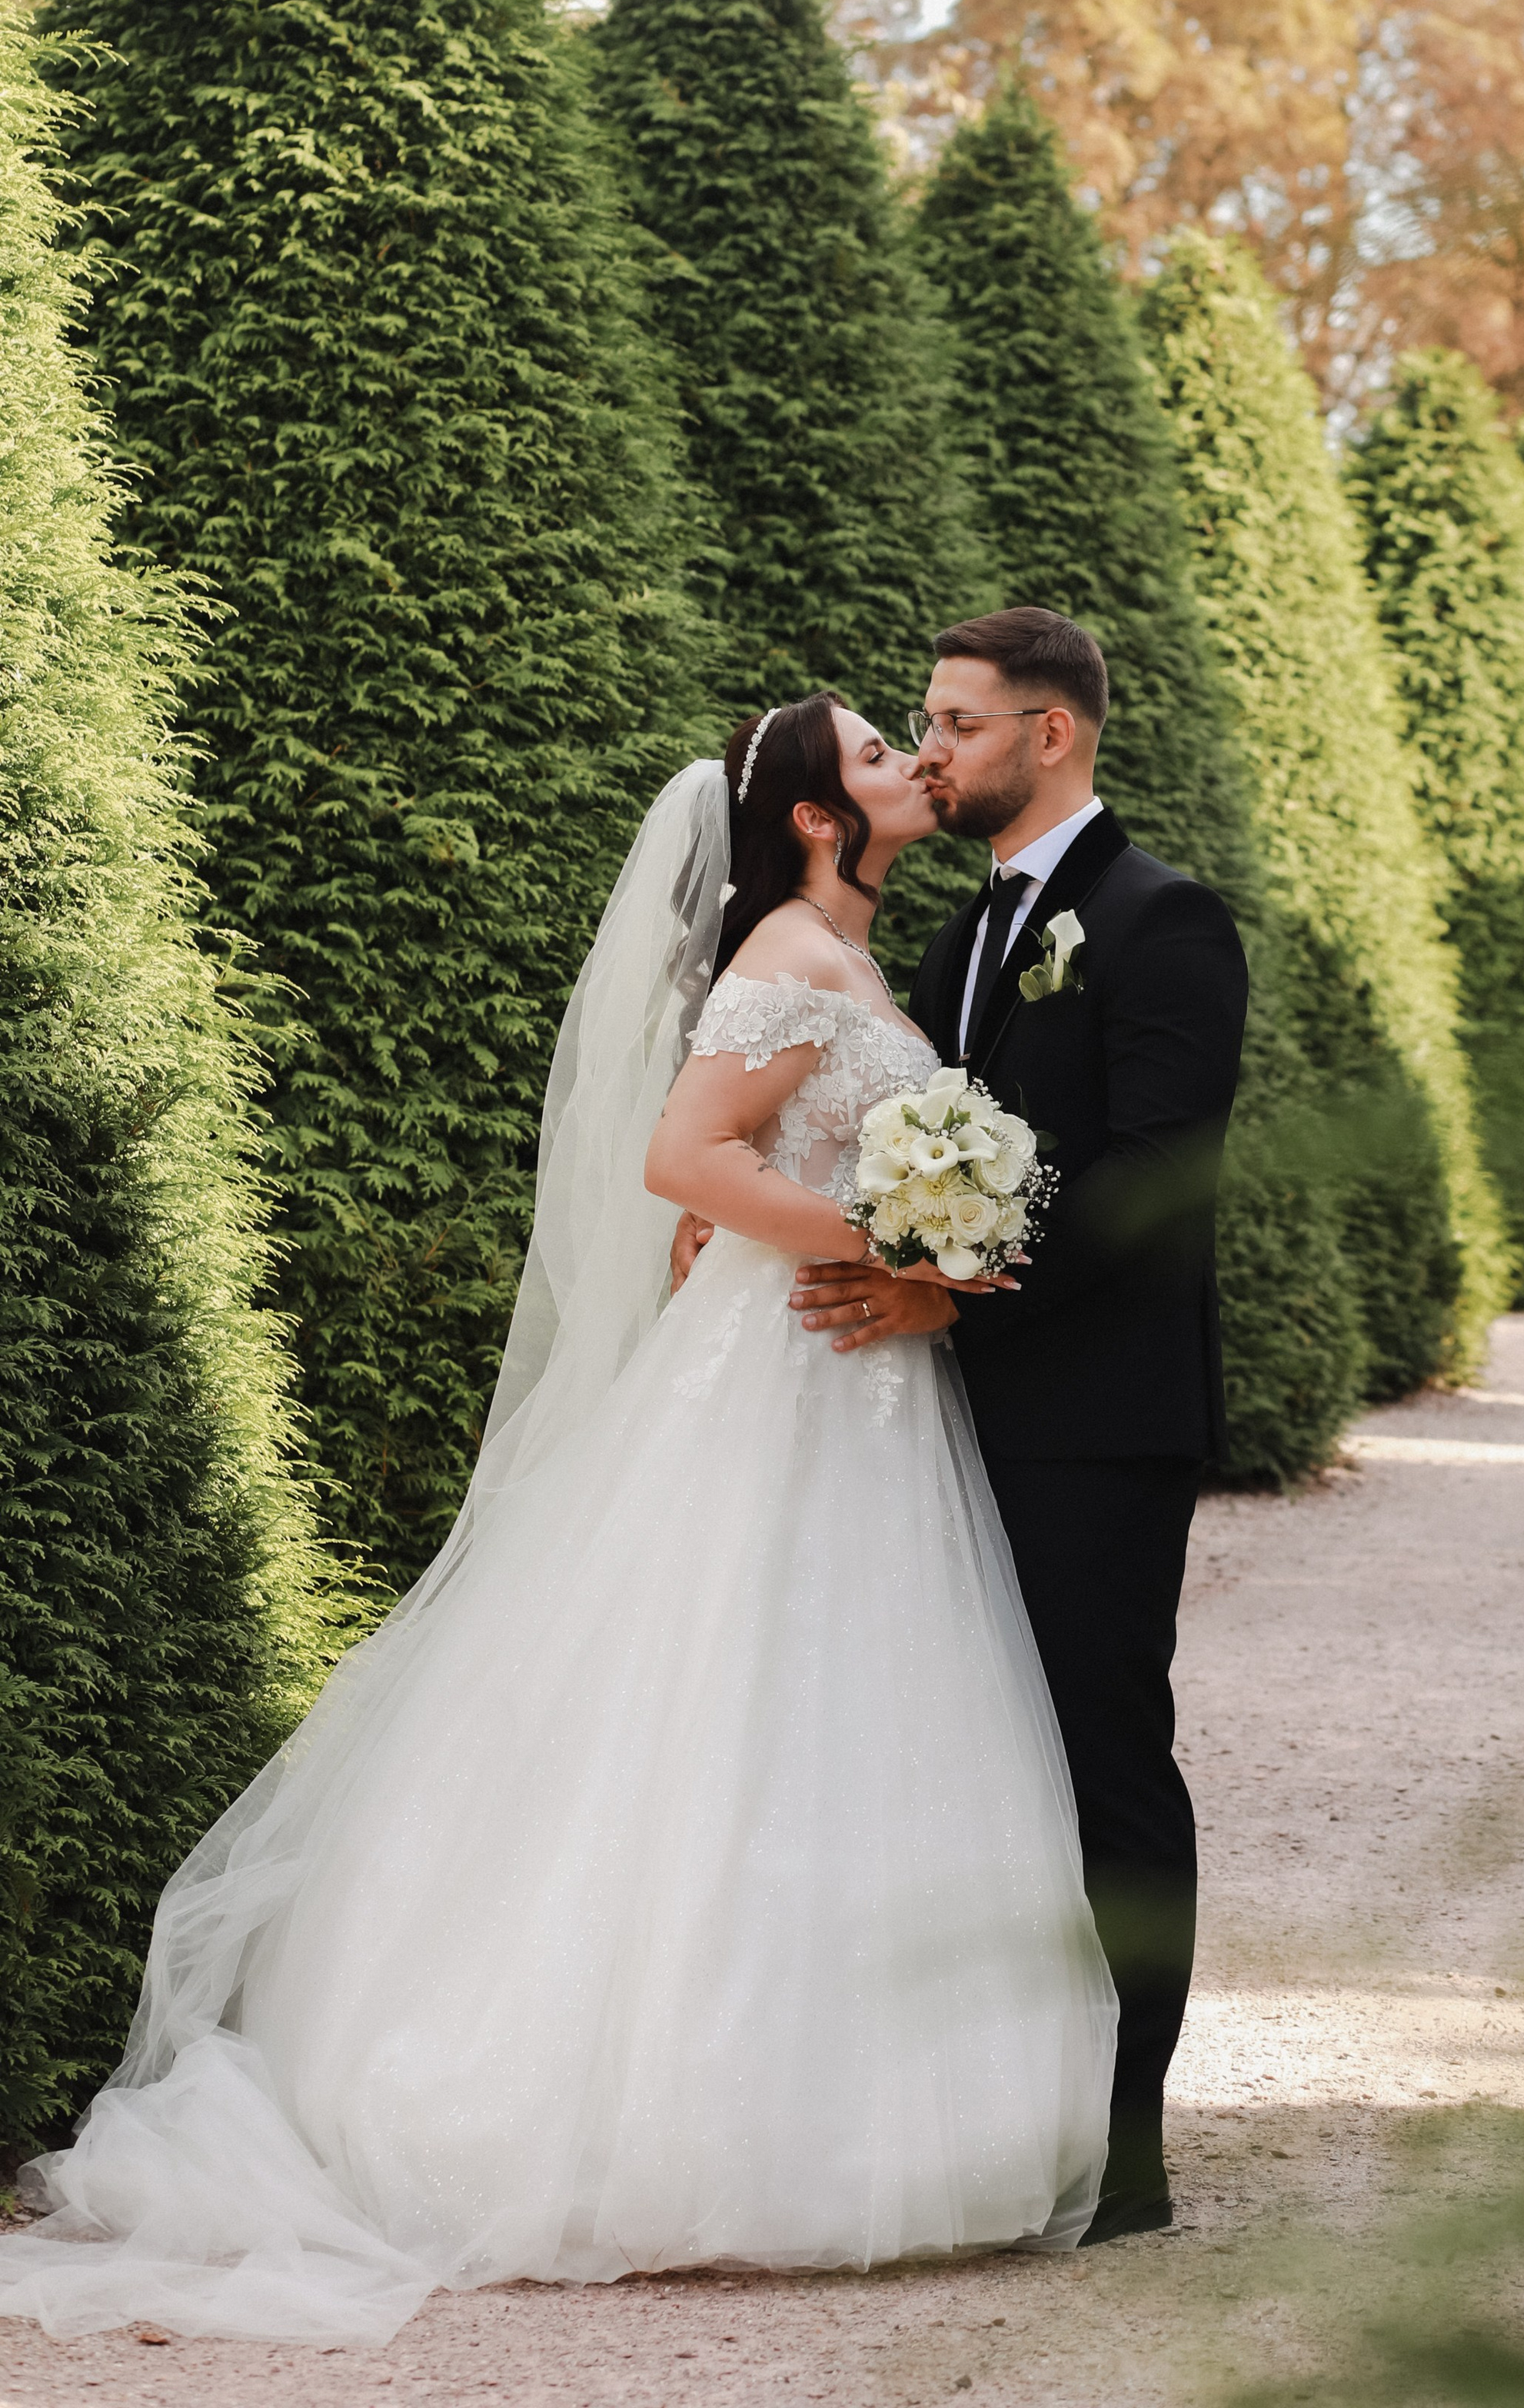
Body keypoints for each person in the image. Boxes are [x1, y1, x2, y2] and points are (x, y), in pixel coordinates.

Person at [0, 698, 1115, 2350]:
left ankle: (867, 2110)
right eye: (878, 754)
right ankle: (638, 2120)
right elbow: (685, 1156)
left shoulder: (852, 953)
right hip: (779, 1369)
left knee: (842, 1713)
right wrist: (894, 1238)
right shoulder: (794, 956)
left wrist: (914, 1251)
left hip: (854, 1384)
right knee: (709, 1700)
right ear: (815, 819)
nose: (908, 765)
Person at [790, 610, 1249, 2242]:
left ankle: (1125, 2145)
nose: (930, 752)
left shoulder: (1160, 920)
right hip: (935, 1417)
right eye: (919, 720)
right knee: (965, 1760)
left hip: (1092, 1419)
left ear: (1049, 734)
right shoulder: (954, 937)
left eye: (957, 723)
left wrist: (956, 1293)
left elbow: (1148, 1186)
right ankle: (999, 2109)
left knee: (1102, 1762)